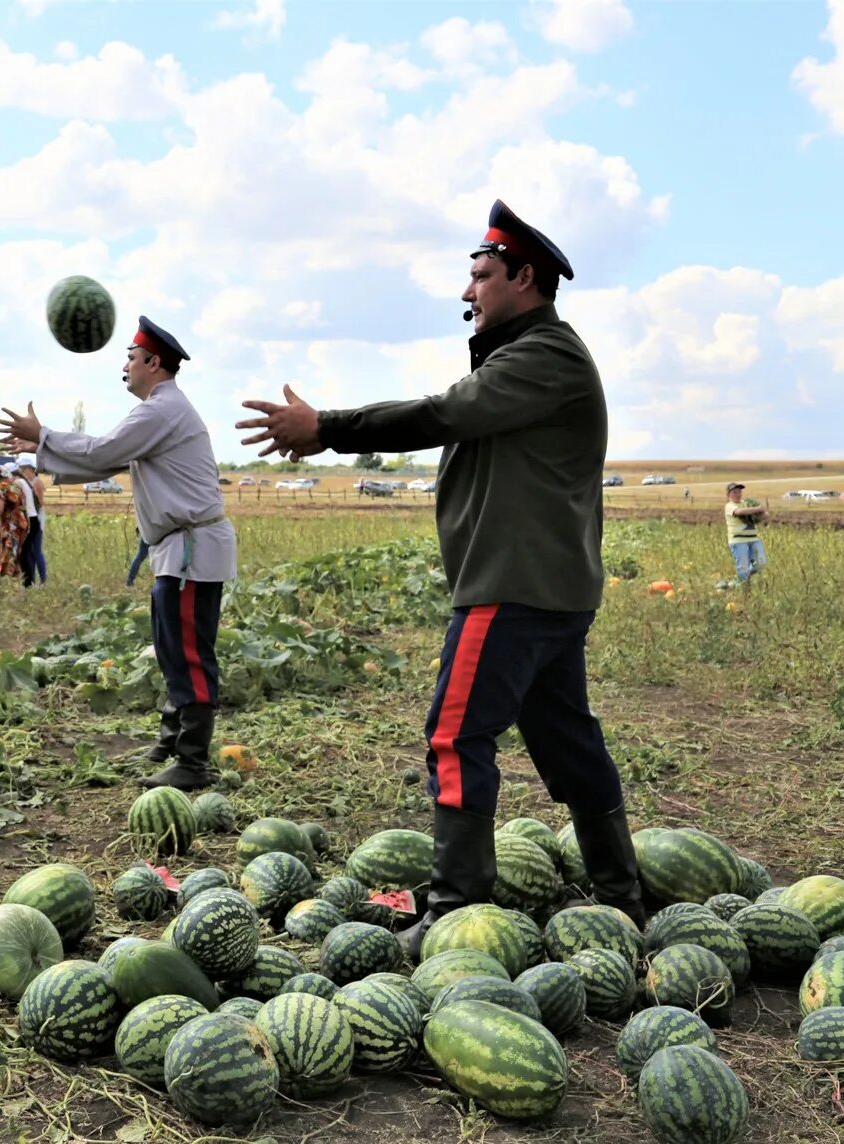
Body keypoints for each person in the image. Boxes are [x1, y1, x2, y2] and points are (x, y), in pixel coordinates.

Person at [236, 200, 647, 953]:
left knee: (456, 736)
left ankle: (456, 907)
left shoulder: (545, 355)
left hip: (512, 588)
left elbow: (442, 413)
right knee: (566, 742)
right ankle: (622, 894)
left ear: (525, 278)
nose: (468, 294)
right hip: (545, 588)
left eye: (482, 276)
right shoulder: (530, 359)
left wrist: (327, 428)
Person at [0, 316, 236, 790]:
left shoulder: (160, 410)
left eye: (130, 356)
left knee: (188, 652)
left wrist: (44, 436)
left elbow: (104, 447)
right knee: (172, 648)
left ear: (153, 361)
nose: (124, 365)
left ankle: (193, 762)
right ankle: (173, 740)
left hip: (192, 552)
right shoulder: (159, 411)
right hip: (179, 551)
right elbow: (108, 459)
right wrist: (44, 452)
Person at [0, 463, 30, 578]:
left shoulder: (1, 488)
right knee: (18, 554)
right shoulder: (15, 485)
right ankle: (20, 584)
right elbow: (24, 505)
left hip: (10, 526)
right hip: (21, 524)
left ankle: (8, 585)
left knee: (8, 555)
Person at [724, 482, 769, 582]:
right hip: (738, 540)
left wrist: (762, 513)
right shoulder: (730, 506)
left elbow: (765, 515)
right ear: (728, 495)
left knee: (761, 563)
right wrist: (758, 509)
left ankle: (743, 577)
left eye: (739, 492)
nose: (738, 494)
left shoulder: (747, 503)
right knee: (743, 566)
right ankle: (744, 588)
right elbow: (739, 512)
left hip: (754, 538)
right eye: (734, 492)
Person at [18, 461, 49, 586]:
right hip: (31, 517)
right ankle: (33, 580)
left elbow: (41, 502)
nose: (21, 472)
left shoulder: (36, 481)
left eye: (22, 469)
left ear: (28, 469)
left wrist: (29, 508)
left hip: (37, 518)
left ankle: (43, 580)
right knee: (30, 551)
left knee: (36, 550)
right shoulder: (28, 482)